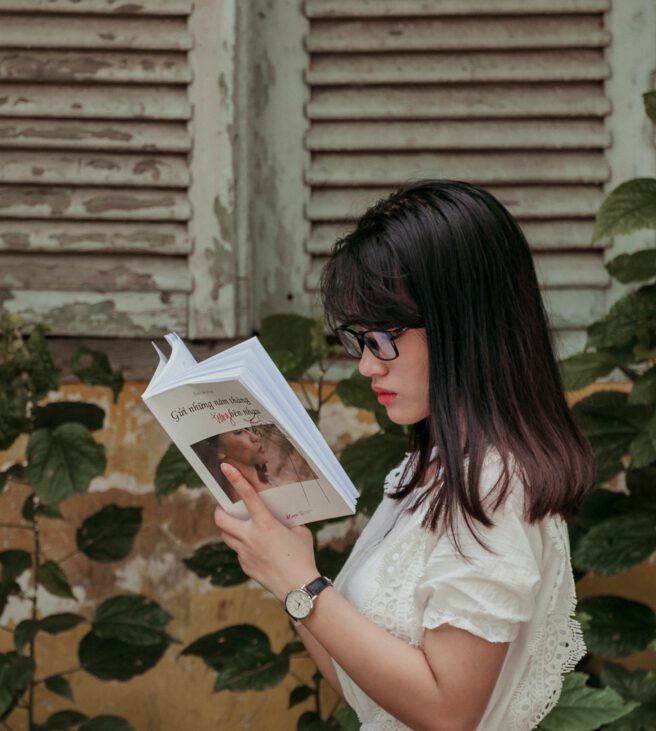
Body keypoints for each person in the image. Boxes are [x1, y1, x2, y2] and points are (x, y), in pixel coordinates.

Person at [213, 180, 595, 731]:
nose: (369, 366)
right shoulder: (428, 470)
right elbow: (359, 687)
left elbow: (448, 712)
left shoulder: (492, 482)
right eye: (359, 340)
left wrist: (303, 583)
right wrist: (288, 570)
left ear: (463, 324)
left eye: (383, 338)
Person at [191, 427, 274, 495]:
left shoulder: (272, 481)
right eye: (238, 432)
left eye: (248, 429)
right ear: (218, 450)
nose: (255, 437)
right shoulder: (231, 498)